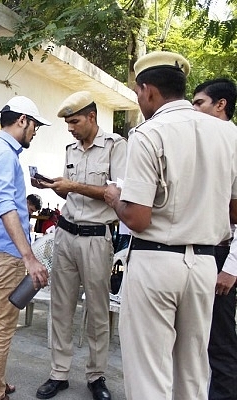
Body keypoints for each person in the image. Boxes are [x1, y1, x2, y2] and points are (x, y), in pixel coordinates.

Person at [103, 52, 237, 400]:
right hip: (206, 264)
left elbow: (138, 217)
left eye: (137, 92)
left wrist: (115, 196)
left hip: (156, 262)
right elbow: (235, 211)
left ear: (148, 90)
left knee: (150, 375)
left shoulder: (148, 133)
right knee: (192, 374)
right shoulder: (228, 134)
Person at [34, 91, 126, 400]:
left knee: (97, 311)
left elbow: (116, 194)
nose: (70, 128)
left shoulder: (116, 147)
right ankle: (58, 373)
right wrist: (53, 186)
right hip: (66, 235)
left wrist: (72, 185)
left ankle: (96, 375)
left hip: (97, 239)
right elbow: (73, 196)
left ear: (91, 117)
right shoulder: (71, 149)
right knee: (61, 308)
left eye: (74, 122)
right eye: (67, 124)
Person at [0, 96, 50, 400]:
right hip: (6, 255)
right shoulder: (4, 154)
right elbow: (6, 207)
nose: (34, 132)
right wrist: (29, 258)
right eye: (34, 126)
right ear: (21, 121)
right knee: (2, 327)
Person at [192, 78, 237, 400]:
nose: (194, 110)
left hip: (223, 254)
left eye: (199, 103)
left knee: (220, 341)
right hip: (198, 253)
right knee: (197, 339)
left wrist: (231, 266)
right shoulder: (204, 143)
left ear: (220, 104)